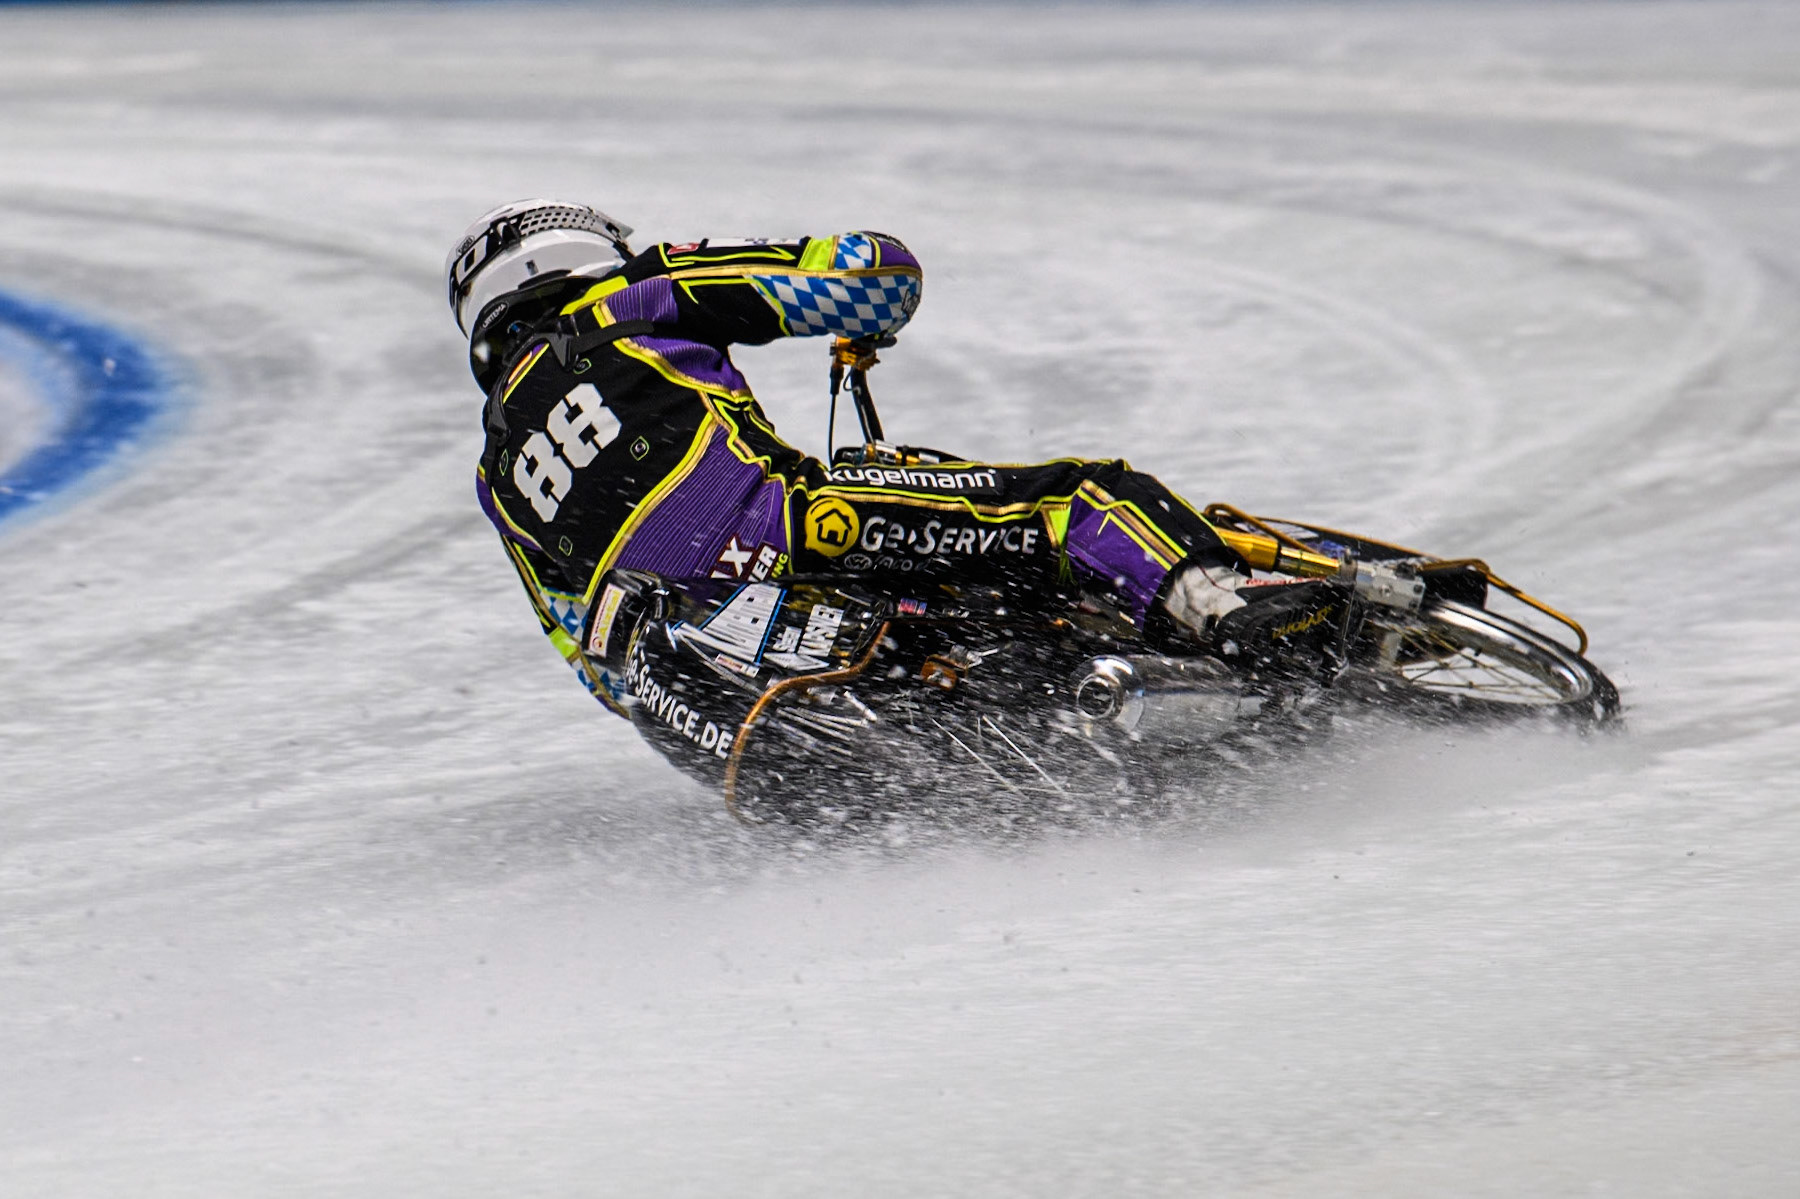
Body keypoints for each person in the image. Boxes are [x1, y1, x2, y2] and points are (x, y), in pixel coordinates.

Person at [447, 199, 1255, 714]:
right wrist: (864, 312)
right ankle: (1236, 620)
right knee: (1077, 498)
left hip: (693, 662)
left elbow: (590, 662)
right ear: (569, 255)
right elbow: (869, 274)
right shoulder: (627, 296)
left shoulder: (495, 478)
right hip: (793, 530)